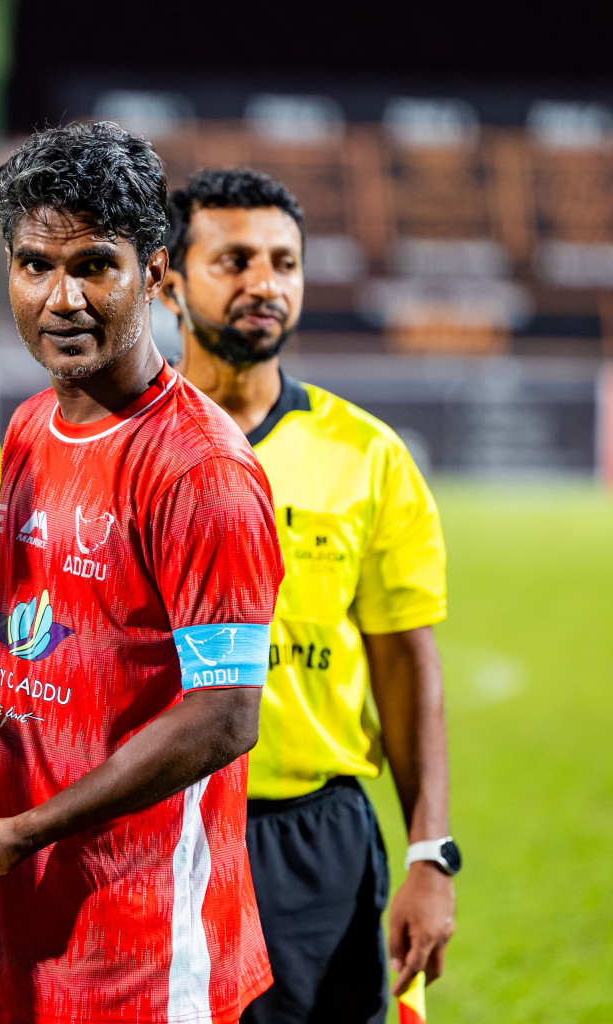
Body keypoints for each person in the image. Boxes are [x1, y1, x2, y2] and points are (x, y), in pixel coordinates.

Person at [0, 121, 285, 1024]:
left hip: (153, 957)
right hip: (37, 933)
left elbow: (226, 714)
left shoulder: (200, 468)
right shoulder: (32, 431)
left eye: (94, 264)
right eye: (36, 264)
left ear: (154, 273)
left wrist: (21, 834)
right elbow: (39, 651)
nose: (62, 297)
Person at [162, 167, 456, 1024]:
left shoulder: (367, 455)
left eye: (284, 262)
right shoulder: (115, 443)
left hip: (313, 841)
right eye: (236, 260)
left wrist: (430, 854)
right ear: (169, 281)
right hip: (154, 831)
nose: (265, 282)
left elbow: (407, 663)